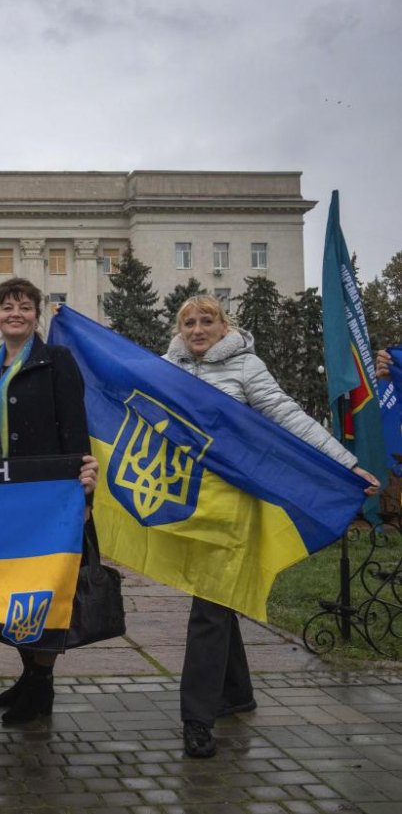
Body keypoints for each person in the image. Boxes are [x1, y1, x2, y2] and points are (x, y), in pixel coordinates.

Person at [165, 294, 378, 759]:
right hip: (189, 503)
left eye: (207, 321)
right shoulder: (167, 370)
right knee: (219, 599)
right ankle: (237, 692)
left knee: (209, 604)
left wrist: (345, 464)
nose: (197, 329)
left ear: (225, 326)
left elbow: (289, 417)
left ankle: (196, 718)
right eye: (188, 323)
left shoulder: (246, 368)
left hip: (237, 504)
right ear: (179, 330)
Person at [0, 278, 96, 724]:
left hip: (48, 498)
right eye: (7, 307)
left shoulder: (56, 360)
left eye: (24, 307)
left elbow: (74, 425)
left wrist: (83, 489)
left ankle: (41, 686)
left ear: (36, 315)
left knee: (43, 591)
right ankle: (28, 676)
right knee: (11, 593)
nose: (15, 314)